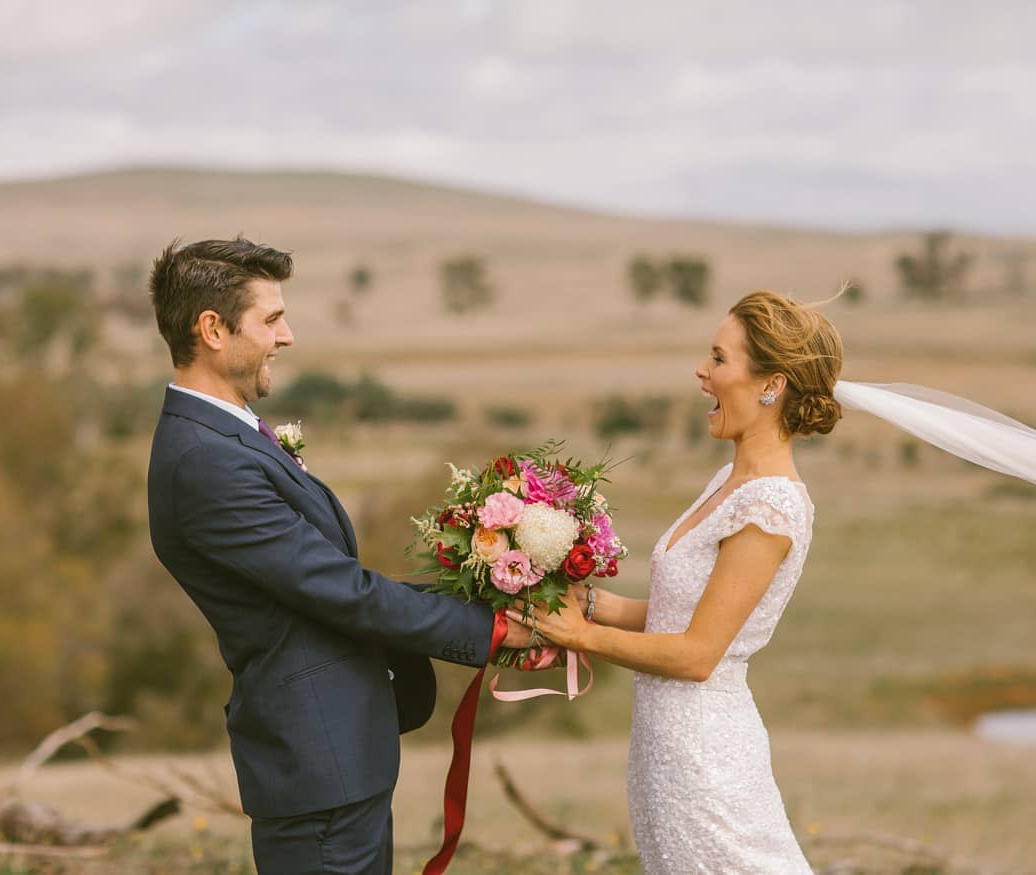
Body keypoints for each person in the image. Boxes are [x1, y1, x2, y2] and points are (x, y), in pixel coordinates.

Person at [145, 236, 528, 875]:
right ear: (212, 329)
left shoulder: (222, 436)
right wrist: (492, 630)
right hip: (315, 767)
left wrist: (490, 596)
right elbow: (339, 591)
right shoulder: (205, 462)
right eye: (271, 319)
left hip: (337, 759)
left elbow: (328, 582)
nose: (287, 336)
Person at [509, 289, 840, 873]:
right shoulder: (728, 480)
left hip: (707, 761)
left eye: (718, 358)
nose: (702, 371)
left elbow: (697, 654)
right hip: (668, 755)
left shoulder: (770, 506)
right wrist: (594, 605)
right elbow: (685, 611)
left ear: (772, 384)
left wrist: (578, 637)